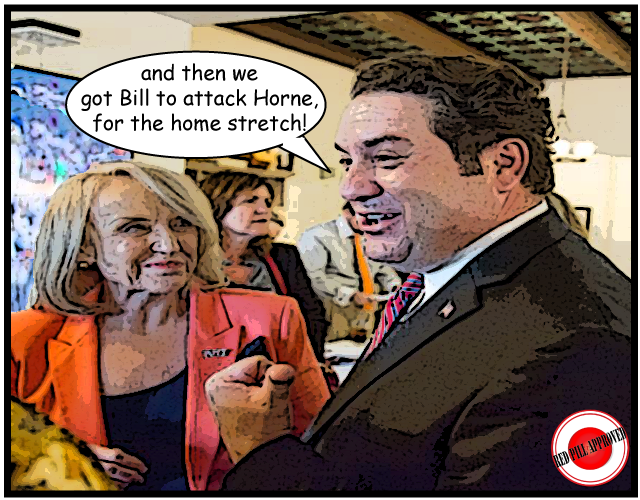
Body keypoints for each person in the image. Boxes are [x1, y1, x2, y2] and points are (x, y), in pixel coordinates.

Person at [205, 55, 631, 491]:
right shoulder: (444, 276)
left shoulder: (576, 342)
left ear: (502, 166)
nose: (351, 187)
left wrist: (259, 451)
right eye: (347, 162)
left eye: (386, 158)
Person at [10, 161, 329, 491]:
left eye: (181, 223)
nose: (169, 244)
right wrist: (69, 461)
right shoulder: (21, 340)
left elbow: (323, 449)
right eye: (134, 228)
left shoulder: (270, 318)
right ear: (84, 246)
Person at [199, 171, 328, 363]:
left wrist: (307, 364)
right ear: (217, 206)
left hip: (282, 366)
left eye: (267, 202)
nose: (264, 210)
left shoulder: (283, 256)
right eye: (250, 201)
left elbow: (312, 315)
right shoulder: (196, 263)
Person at [298, 202, 401, 344]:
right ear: (347, 213)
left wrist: (395, 286)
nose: (372, 223)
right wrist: (351, 294)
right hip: (334, 310)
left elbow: (383, 268)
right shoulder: (317, 235)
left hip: (367, 311)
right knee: (334, 351)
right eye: (367, 217)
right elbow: (313, 277)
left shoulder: (369, 235)